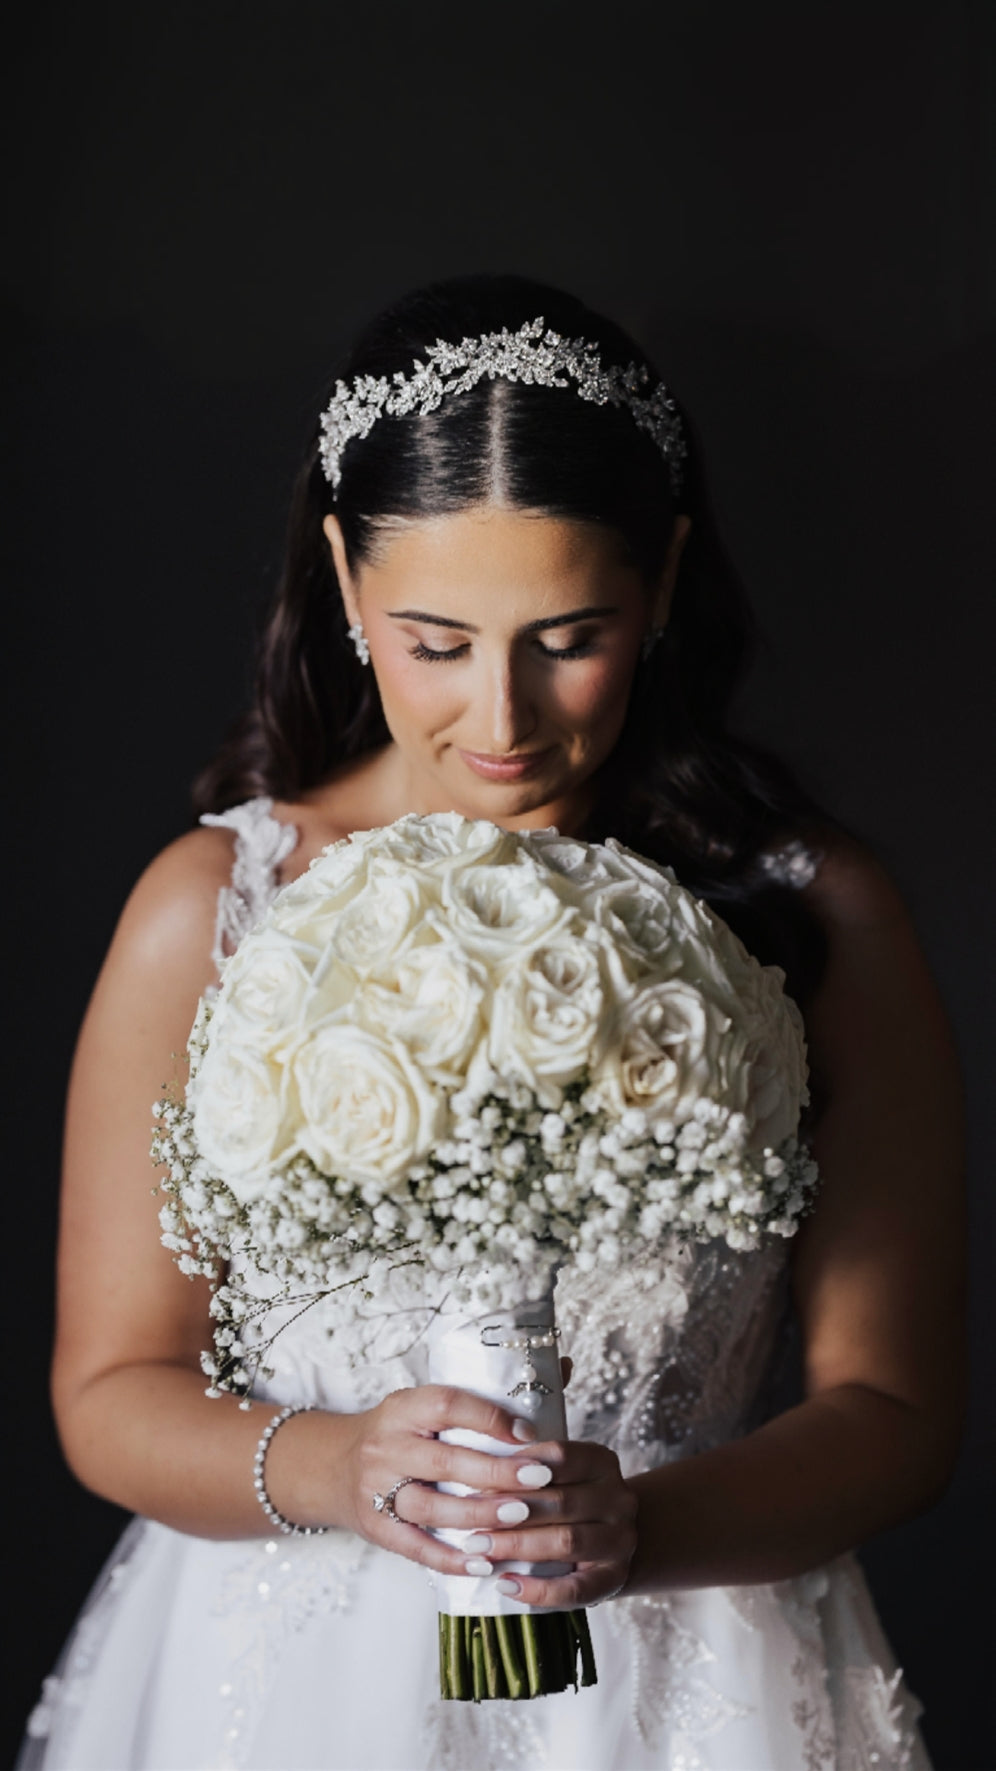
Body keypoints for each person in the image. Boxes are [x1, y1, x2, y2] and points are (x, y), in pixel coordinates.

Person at [23, 275, 964, 1771]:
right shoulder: (214, 909)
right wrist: (340, 1470)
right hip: (288, 1687)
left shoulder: (811, 911)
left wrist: (643, 1530)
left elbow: (896, 1403)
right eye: (437, 640)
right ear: (342, 577)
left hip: (684, 1677)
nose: (505, 719)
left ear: (661, 578)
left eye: (567, 634)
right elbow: (109, 1387)